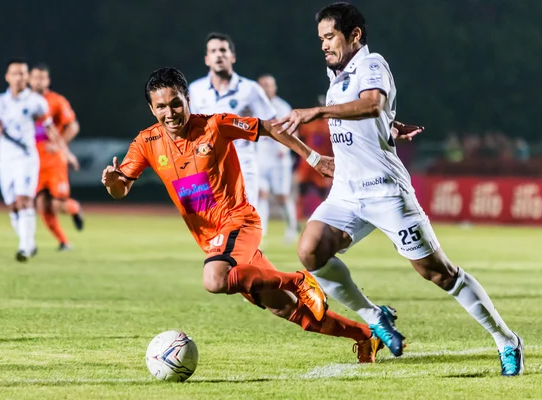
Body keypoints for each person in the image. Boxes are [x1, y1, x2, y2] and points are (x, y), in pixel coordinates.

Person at [275, 2, 523, 376]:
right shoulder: (339, 73)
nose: (323, 45)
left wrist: (319, 113)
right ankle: (374, 316)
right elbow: (373, 114)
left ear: (354, 35)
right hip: (347, 192)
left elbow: (372, 103)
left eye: (330, 36)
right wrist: (390, 125)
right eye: (321, 39)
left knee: (439, 273)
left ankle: (507, 339)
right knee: (310, 250)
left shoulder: (372, 64)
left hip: (386, 192)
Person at [102, 67, 385, 363]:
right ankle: (365, 336)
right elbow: (121, 188)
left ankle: (297, 280)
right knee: (287, 309)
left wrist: (313, 159)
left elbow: (271, 127)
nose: (170, 112)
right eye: (161, 106)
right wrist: (112, 184)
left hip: (239, 223)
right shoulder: (147, 142)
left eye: (175, 103)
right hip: (214, 243)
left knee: (214, 280)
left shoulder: (215, 124)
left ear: (187, 99)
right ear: (151, 108)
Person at [189, 32, 276, 209]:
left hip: (242, 164)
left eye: (223, 50)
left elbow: (273, 124)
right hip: (205, 166)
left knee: (245, 223)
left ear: (232, 56)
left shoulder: (250, 89)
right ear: (207, 59)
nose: (219, 54)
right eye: (213, 51)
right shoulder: (195, 89)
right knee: (203, 225)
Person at [0, 58, 63, 261]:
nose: (19, 77)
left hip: (26, 157)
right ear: (7, 77)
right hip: (5, 158)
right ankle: (29, 243)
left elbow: (49, 126)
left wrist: (59, 145)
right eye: (15, 73)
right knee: (12, 205)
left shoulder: (35, 101)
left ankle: (24, 247)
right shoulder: (0, 101)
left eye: (23, 73)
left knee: (24, 199)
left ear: (27, 77)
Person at [29, 63, 82, 251]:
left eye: (42, 78)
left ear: (48, 80)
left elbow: (73, 126)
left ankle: (74, 209)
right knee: (42, 204)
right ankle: (63, 242)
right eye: (35, 77)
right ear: (29, 79)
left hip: (53, 160)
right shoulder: (23, 102)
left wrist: (61, 147)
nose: (39, 81)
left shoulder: (56, 101)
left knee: (58, 204)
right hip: (33, 161)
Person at [256, 73, 297, 242]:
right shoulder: (253, 107)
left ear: (275, 87)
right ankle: (261, 232)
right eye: (263, 85)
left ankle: (292, 228)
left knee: (282, 196)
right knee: (261, 193)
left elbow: (294, 131)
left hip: (279, 160)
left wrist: (286, 148)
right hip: (259, 158)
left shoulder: (282, 107)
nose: (266, 88)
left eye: (269, 85)